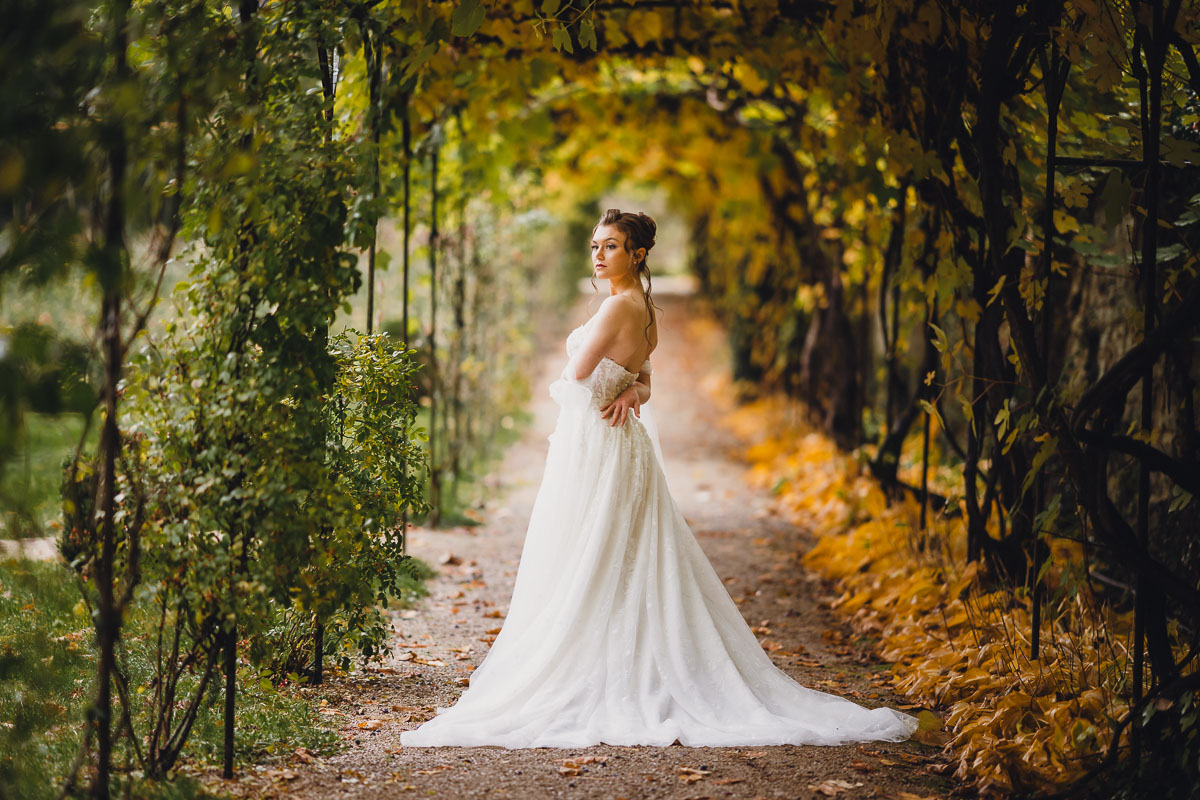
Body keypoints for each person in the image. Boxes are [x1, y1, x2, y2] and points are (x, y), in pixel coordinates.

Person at [399, 209, 918, 748]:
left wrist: (594, 369)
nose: (599, 255)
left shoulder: (615, 307)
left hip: (596, 443)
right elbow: (645, 381)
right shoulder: (645, 309)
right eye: (596, 246)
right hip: (621, 442)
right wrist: (629, 391)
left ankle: (596, 660)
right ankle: (625, 652)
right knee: (619, 551)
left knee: (592, 551)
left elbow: (574, 377)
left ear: (637, 254)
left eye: (612, 247)